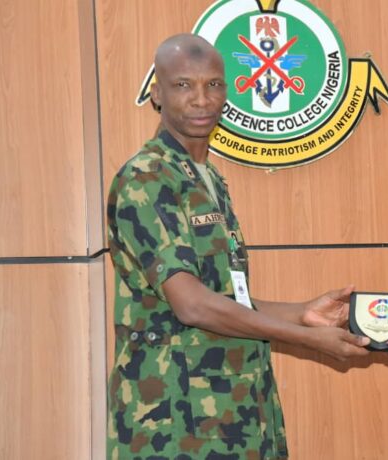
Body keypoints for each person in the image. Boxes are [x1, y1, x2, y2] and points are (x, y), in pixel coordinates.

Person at [105, 33, 370, 459]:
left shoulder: (205, 178)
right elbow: (192, 305)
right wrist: (305, 339)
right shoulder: (148, 178)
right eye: (183, 85)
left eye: (213, 84)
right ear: (156, 93)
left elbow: (228, 299)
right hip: (175, 424)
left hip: (235, 414)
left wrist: (304, 314)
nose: (201, 99)